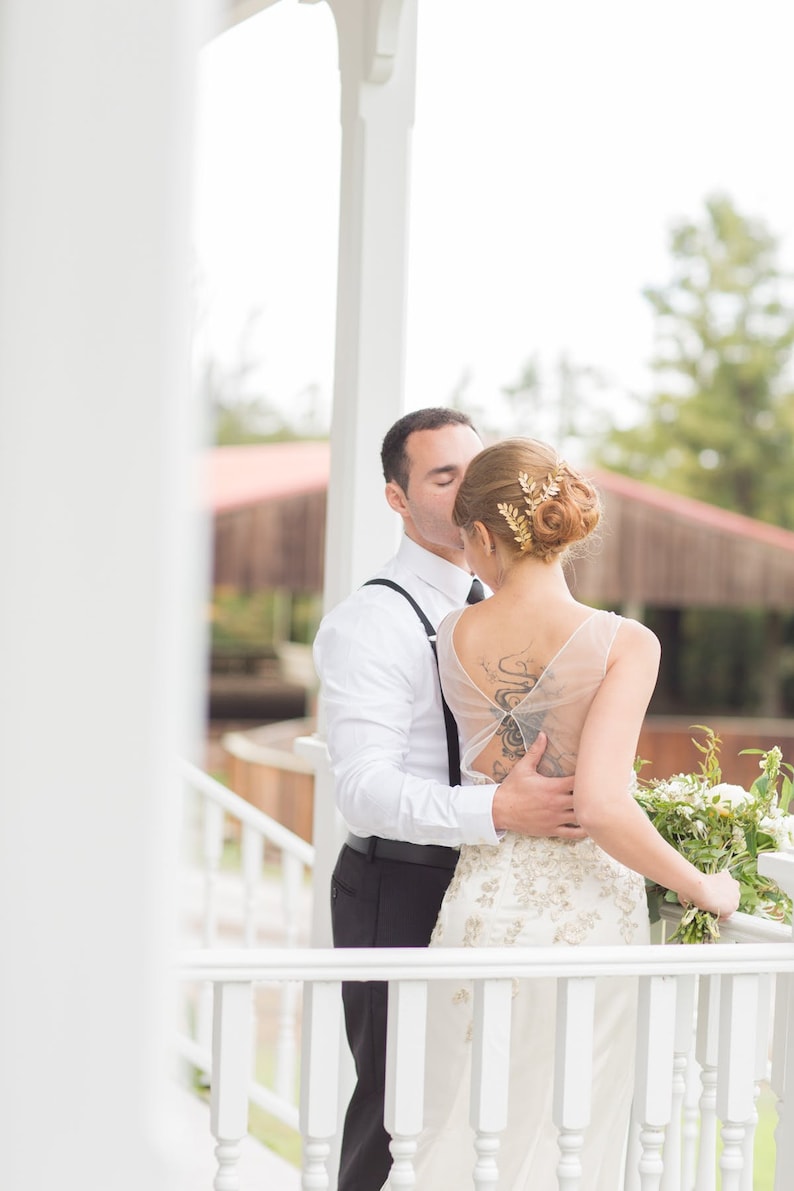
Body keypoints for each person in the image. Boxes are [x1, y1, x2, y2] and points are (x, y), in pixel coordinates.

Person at [395, 437, 741, 1190]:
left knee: (462, 1123)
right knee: (568, 1134)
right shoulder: (625, 643)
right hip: (582, 914)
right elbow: (604, 805)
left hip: (479, 904)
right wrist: (703, 885)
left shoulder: (452, 634)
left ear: (483, 535)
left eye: (465, 539)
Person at [313, 409, 586, 1191]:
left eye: (477, 468)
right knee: (399, 1112)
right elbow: (362, 791)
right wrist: (497, 813)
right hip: (399, 885)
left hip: (490, 889)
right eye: (444, 476)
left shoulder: (508, 603)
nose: (472, 489)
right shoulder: (373, 621)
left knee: (480, 1108)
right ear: (397, 500)